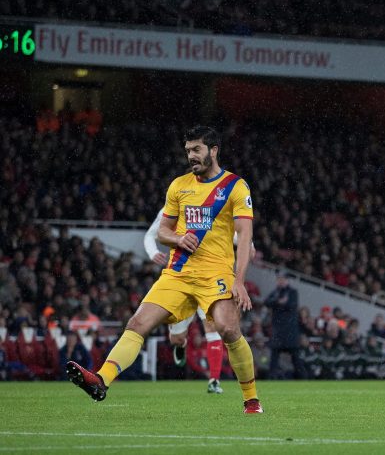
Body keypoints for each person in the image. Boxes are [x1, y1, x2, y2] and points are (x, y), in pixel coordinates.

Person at [66, 126, 263, 413]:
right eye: (187, 151)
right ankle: (100, 380)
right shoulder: (178, 186)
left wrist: (240, 280)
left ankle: (251, 400)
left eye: (196, 150)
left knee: (228, 328)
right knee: (137, 323)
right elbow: (163, 232)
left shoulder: (236, 186)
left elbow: (245, 237)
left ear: (214, 150)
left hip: (216, 274)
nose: (191, 156)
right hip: (177, 273)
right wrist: (178, 238)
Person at [144, 207, 256, 394]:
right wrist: (153, 253)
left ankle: (214, 380)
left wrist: (250, 245)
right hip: (182, 281)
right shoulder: (173, 208)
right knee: (177, 338)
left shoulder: (211, 208)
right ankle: (181, 345)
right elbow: (151, 235)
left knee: (213, 328)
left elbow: (233, 233)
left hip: (209, 282)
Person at [264, 274, 306, 379]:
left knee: (296, 358)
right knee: (274, 356)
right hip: (278, 330)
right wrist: (279, 302)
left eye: (283, 279)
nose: (281, 281)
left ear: (287, 280)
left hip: (290, 329)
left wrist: (277, 303)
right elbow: (266, 302)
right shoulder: (275, 292)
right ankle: (272, 378)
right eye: (279, 279)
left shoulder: (293, 292)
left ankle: (303, 378)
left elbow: (292, 304)